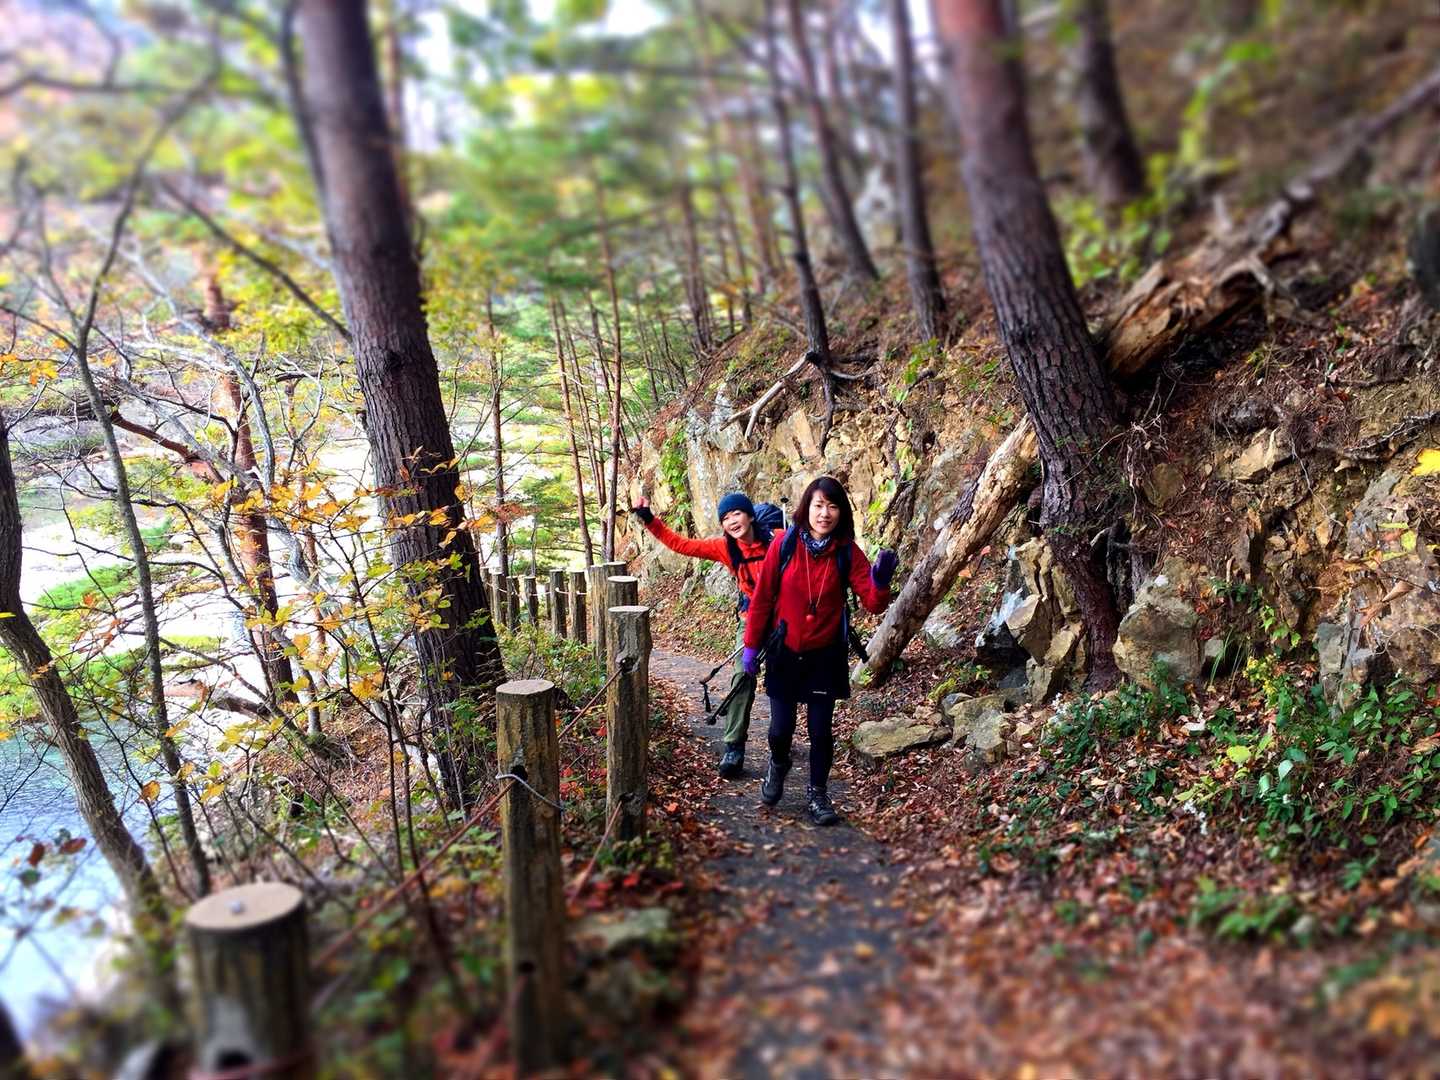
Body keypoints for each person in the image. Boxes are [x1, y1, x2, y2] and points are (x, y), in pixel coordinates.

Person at [741, 476, 898, 826]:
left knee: (820, 732)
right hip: (785, 650)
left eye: (832, 506)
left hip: (825, 655)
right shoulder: (784, 545)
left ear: (841, 512)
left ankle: (818, 793)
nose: (825, 513)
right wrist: (750, 647)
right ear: (806, 508)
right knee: (780, 730)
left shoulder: (846, 552)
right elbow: (762, 598)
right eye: (818, 505)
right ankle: (778, 763)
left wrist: (880, 581)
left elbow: (873, 603)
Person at [631, 491, 773, 778]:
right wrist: (649, 519)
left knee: (787, 681)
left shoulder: (777, 540)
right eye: (725, 518)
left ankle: (782, 740)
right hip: (750, 620)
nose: (732, 521)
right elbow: (681, 545)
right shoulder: (725, 547)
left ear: (750, 515)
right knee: (741, 677)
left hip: (784, 619)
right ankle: (733, 746)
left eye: (736, 514)